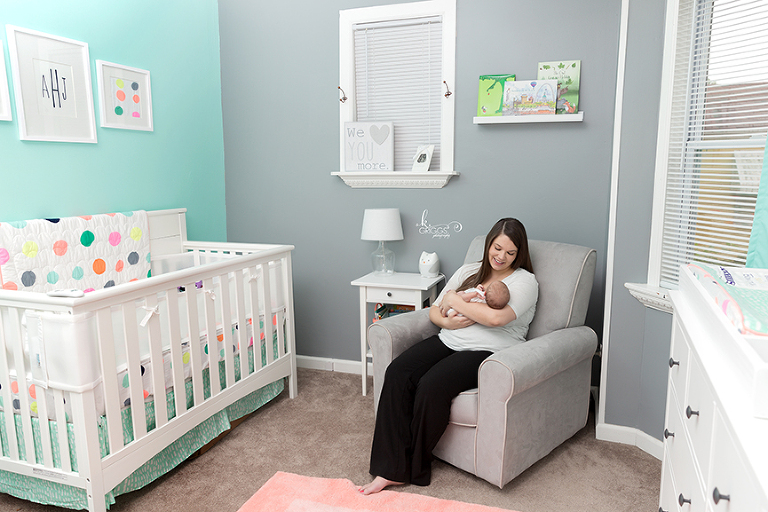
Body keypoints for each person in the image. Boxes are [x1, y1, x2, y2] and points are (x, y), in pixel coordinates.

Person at [358, 218, 538, 495]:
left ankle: (415, 468)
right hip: (448, 339)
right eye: (497, 248)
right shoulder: (469, 271)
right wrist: (448, 322)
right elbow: (435, 310)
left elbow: (495, 319)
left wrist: (454, 302)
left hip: (487, 352)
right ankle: (388, 469)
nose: (501, 257)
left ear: (519, 254)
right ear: (489, 243)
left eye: (510, 252)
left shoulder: (525, 281)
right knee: (396, 373)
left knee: (431, 386)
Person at [444, 280, 510, 317]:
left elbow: (463, 299)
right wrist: (478, 289)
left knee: (461, 293)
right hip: (464, 315)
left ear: (485, 293)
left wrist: (473, 294)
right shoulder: (488, 303)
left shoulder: (478, 295)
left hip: (455, 310)